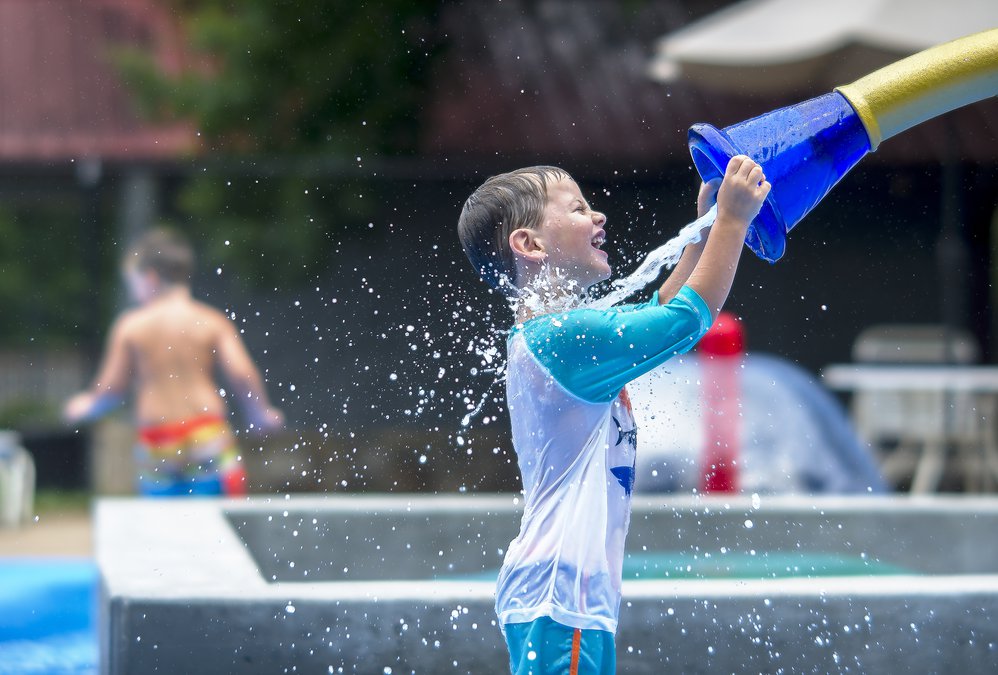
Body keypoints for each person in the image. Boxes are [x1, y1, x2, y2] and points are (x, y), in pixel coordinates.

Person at [457, 156, 770, 674]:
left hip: (561, 594)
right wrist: (734, 222)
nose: (598, 215)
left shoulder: (563, 334)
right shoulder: (560, 340)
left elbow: (664, 303)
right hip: (560, 595)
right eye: (578, 208)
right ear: (529, 244)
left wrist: (706, 227)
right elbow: (684, 321)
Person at [64, 227, 284, 497]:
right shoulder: (211, 321)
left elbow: (111, 390)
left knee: (163, 533)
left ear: (151, 278)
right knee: (217, 530)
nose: (132, 291)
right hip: (207, 437)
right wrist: (258, 412)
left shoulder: (131, 326)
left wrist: (86, 406)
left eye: (131, 282)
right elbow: (242, 373)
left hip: (159, 444)